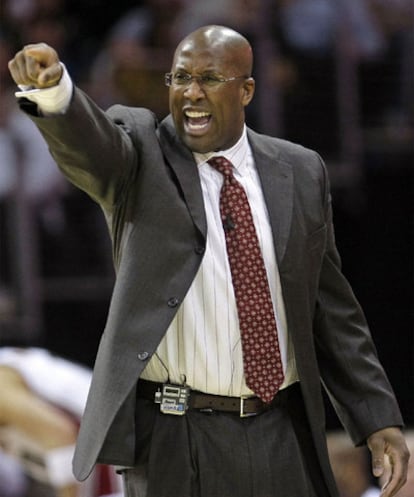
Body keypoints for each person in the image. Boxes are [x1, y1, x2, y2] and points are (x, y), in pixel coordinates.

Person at [7, 25, 409, 497]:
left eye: (210, 79)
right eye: (180, 78)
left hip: (282, 427)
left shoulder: (300, 170)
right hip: (178, 436)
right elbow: (90, 147)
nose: (191, 93)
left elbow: (335, 313)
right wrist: (55, 95)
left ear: (246, 90)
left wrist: (377, 418)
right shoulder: (140, 154)